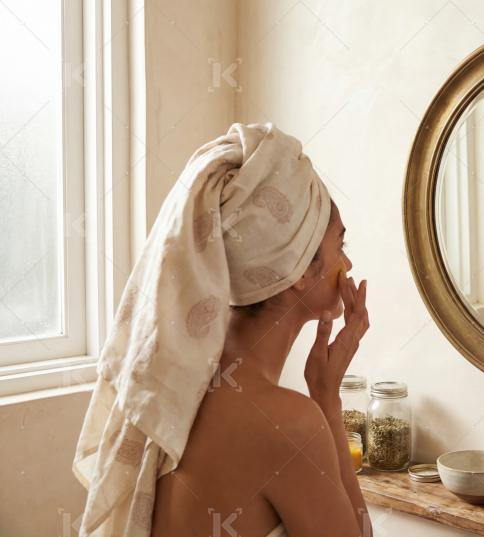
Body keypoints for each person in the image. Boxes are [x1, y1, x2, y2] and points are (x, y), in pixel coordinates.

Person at [73, 123, 372, 537]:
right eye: (342, 244)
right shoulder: (291, 425)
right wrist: (327, 399)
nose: (348, 265)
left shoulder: (168, 389)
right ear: (300, 269)